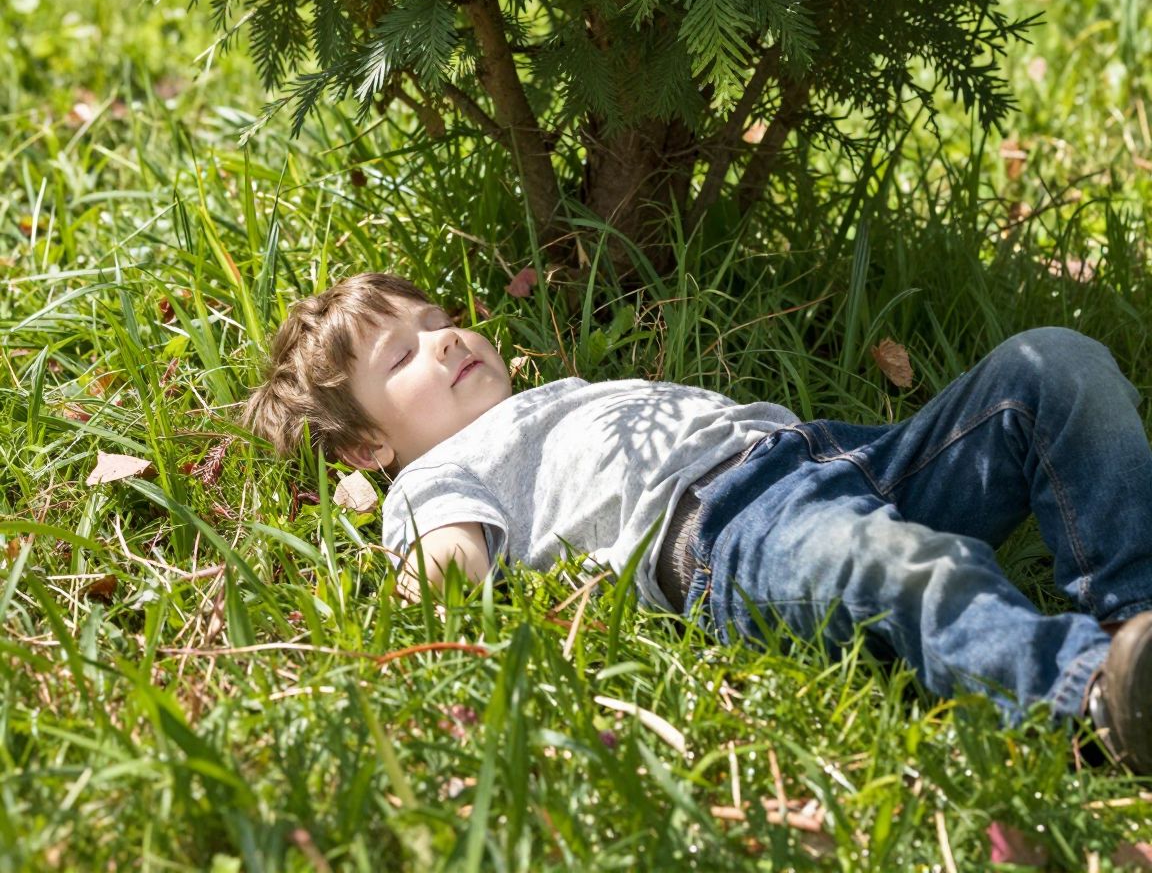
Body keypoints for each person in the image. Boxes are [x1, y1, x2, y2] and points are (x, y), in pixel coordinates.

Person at [242, 270, 1152, 770]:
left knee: (1052, 367)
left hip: (837, 458)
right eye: (402, 353)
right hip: (734, 535)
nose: (442, 338)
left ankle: (1131, 621)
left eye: (438, 319)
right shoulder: (435, 475)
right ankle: (1083, 700)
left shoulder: (547, 396)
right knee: (906, 568)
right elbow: (442, 579)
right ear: (368, 449)